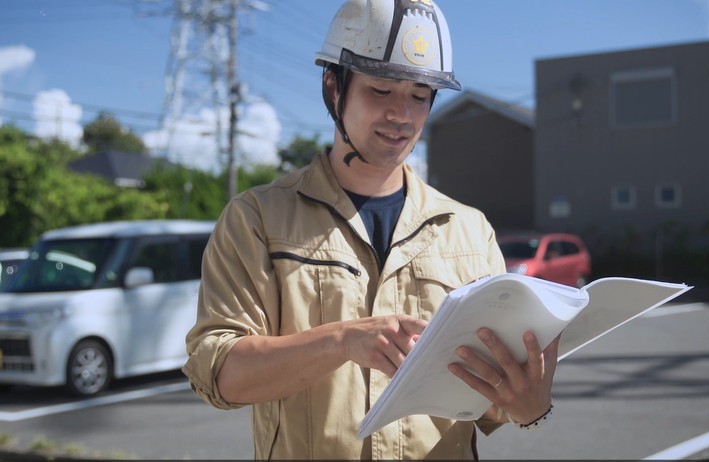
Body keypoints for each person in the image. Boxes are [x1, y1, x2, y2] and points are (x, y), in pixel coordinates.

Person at [182, 0, 559, 459]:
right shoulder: (257, 219)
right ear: (333, 88)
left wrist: (529, 405)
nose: (402, 114)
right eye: (381, 90)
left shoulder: (469, 230)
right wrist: (341, 341)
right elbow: (220, 374)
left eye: (420, 96)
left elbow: (489, 407)